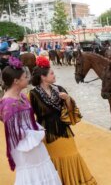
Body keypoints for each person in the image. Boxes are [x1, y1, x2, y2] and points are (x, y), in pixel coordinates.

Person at [29, 56, 96, 184]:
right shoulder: (32, 94)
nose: (54, 75)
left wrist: (67, 99)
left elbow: (71, 112)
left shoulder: (59, 89)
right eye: (52, 73)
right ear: (43, 77)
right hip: (47, 133)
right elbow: (28, 117)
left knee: (72, 154)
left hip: (64, 129)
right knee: (53, 159)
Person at [0, 57, 61, 185]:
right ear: (16, 81)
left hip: (34, 141)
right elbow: (14, 132)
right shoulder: (8, 104)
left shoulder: (22, 96)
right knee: (32, 174)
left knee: (43, 170)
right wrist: (35, 135)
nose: (28, 78)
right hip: (25, 146)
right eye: (24, 77)